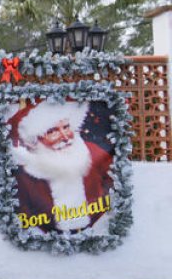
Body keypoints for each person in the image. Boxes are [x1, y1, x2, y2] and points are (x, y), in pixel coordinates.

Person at [8, 99, 113, 233]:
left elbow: (115, 189)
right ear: (35, 139)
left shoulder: (92, 152)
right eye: (52, 131)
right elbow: (22, 213)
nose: (65, 137)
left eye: (66, 127)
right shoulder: (24, 172)